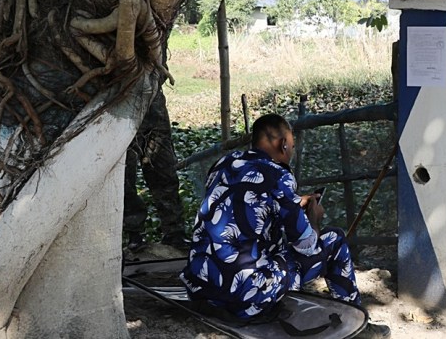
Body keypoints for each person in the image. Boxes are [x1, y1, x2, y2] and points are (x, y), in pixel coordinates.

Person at [181, 114, 386, 334]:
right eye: (293, 145)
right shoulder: (279, 176)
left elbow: (244, 205)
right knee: (334, 240)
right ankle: (359, 328)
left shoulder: (224, 163)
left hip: (199, 288)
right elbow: (307, 247)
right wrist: (313, 219)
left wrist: (294, 204)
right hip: (242, 296)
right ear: (284, 144)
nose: (293, 150)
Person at [124, 85, 187, 251]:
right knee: (125, 180)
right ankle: (134, 234)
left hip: (154, 113)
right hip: (122, 113)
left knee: (165, 175)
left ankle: (175, 233)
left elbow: (159, 70)